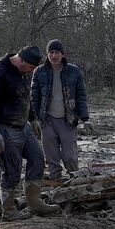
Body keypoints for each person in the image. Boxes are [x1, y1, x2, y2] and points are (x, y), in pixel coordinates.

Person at [0, 45, 58, 221]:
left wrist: (32, 118)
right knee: (11, 170)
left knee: (37, 159)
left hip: (23, 126)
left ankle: (34, 203)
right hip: (4, 127)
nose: (31, 71)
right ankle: (9, 211)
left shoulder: (23, 71)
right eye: (30, 67)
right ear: (20, 60)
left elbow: (25, 96)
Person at [29, 39, 89, 181]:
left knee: (70, 155)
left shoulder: (74, 71)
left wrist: (85, 118)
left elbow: (81, 96)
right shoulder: (39, 71)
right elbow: (34, 97)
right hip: (47, 119)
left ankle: (74, 178)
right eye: (51, 52)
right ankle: (55, 179)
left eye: (57, 52)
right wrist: (33, 118)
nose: (54, 56)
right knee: (51, 154)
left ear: (62, 54)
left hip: (68, 119)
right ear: (47, 54)